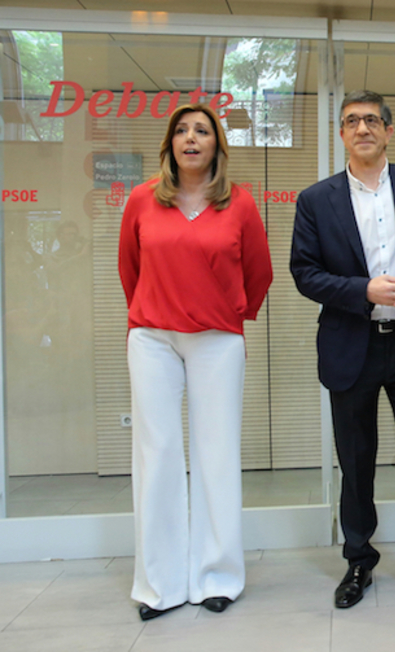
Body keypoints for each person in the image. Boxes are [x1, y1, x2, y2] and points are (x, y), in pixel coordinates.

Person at [290, 90, 395, 609]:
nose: (362, 128)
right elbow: (305, 273)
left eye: (371, 120)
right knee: (356, 461)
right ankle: (359, 561)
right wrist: (363, 291)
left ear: (387, 130)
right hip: (352, 347)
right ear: (341, 134)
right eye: (351, 121)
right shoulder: (316, 199)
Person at [118, 103, 273, 621]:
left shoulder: (241, 204)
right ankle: (158, 585)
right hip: (152, 340)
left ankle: (216, 577)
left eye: (202, 131)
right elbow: (130, 268)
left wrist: (227, 314)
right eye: (181, 130)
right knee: (157, 455)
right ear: (169, 144)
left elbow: (259, 273)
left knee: (216, 454)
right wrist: (153, 313)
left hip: (217, 341)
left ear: (216, 146)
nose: (191, 138)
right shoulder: (141, 200)